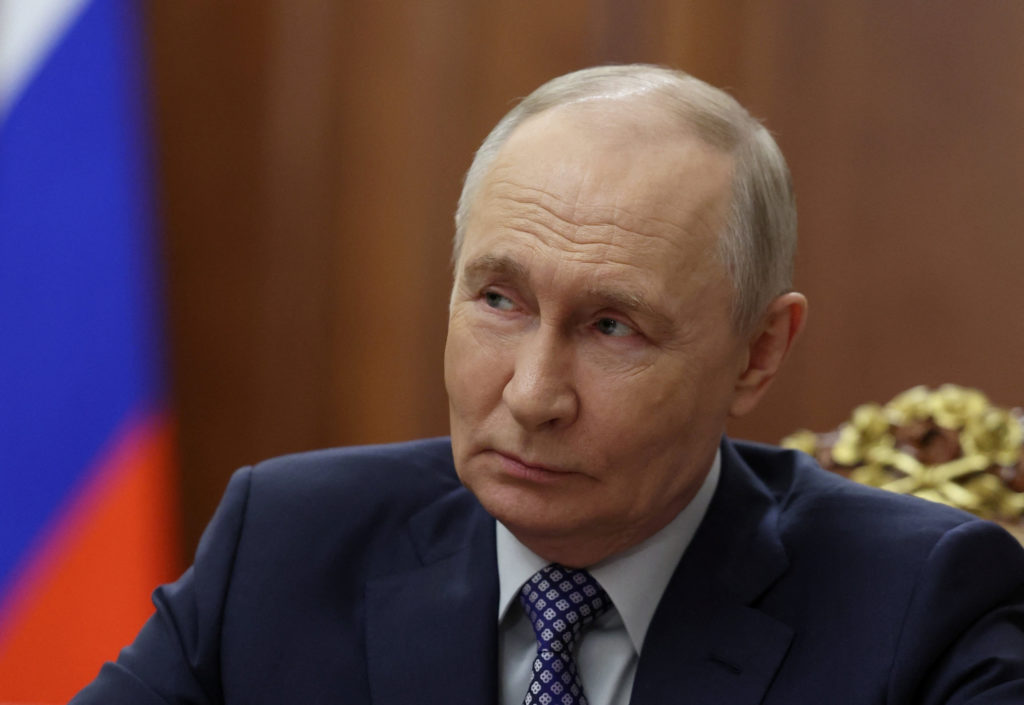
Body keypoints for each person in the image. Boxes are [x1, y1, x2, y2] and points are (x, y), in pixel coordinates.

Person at [72, 64, 1024, 704]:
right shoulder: (285, 543)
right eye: (499, 299)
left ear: (758, 353)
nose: (532, 395)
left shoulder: (917, 608)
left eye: (613, 326)